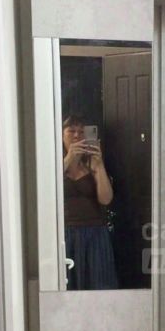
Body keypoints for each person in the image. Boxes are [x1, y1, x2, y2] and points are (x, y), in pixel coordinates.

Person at [62, 114, 118, 290]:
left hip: (95, 233)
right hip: (66, 234)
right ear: (61, 135)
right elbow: (46, 188)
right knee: (69, 285)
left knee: (99, 285)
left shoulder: (91, 163)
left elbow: (106, 199)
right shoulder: (54, 163)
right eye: (71, 131)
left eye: (81, 132)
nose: (77, 136)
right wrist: (69, 159)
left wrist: (99, 166)